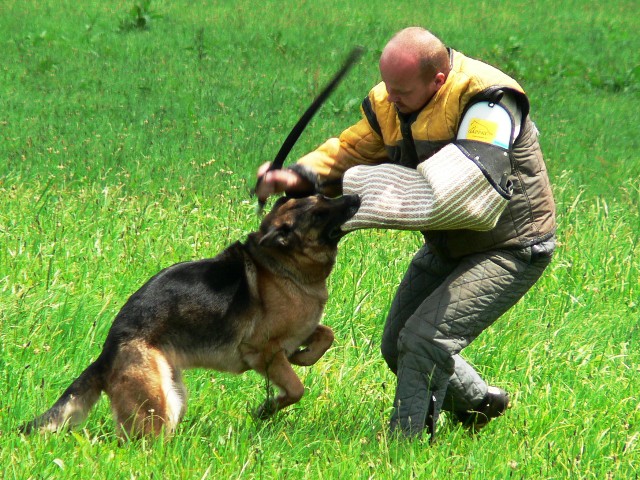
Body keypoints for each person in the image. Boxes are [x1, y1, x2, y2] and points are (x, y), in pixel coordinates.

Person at [255, 27, 556, 441]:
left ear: (437, 81)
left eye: (402, 91)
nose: (390, 98)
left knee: (424, 340)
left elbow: (461, 194)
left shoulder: (489, 104)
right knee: (397, 344)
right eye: (387, 87)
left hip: (510, 246)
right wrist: (296, 177)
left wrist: (352, 201)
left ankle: (406, 446)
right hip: (447, 244)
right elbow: (349, 152)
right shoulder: (392, 100)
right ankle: (480, 403)